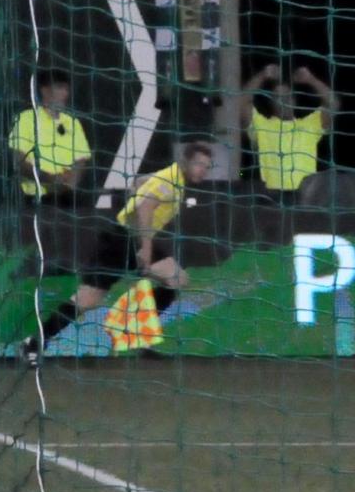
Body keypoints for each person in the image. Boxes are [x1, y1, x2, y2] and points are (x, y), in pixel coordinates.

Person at [22, 141, 215, 363]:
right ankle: (35, 341)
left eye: (206, 166)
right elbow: (145, 207)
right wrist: (146, 247)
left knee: (177, 279)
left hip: (125, 239)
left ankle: (131, 329)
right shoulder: (170, 182)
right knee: (87, 300)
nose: (203, 170)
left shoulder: (171, 177)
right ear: (186, 162)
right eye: (199, 164)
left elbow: (140, 183)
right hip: (124, 241)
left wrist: (138, 191)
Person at [243, 63, 339, 199]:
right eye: (278, 97)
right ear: (271, 103)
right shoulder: (262, 125)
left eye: (287, 96)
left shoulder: (310, 124)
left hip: (306, 197)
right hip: (273, 198)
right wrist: (262, 75)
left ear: (294, 100)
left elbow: (333, 103)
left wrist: (310, 79)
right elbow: (243, 101)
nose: (283, 100)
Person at [9, 69, 92, 204]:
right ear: (45, 90)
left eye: (66, 89)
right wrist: (50, 179)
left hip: (67, 199)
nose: (64, 94)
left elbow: (81, 159)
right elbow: (18, 159)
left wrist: (70, 183)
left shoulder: (73, 123)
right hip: (35, 199)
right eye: (59, 88)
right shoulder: (26, 119)